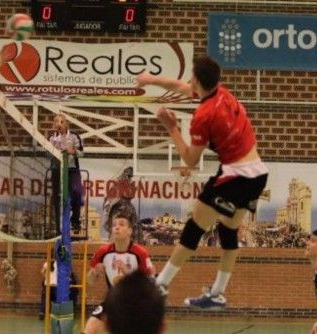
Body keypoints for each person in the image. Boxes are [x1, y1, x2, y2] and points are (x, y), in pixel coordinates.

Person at [136, 55, 268, 309]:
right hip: (258, 174)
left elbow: (190, 161)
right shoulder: (222, 93)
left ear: (196, 79)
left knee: (194, 228)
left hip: (235, 176)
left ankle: (161, 284)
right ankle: (217, 293)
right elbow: (180, 87)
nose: (188, 81)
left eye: (191, 76)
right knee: (228, 232)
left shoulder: (204, 116)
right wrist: (150, 79)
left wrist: (172, 128)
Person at [82, 214, 154, 334]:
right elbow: (90, 281)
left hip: (136, 304)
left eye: (121, 224)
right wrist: (94, 272)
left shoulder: (140, 253)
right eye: (114, 225)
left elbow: (150, 285)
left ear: (130, 231)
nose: (116, 227)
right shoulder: (102, 252)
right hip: (112, 301)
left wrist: (129, 274)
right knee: (90, 328)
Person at [49, 113, 84, 233]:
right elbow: (48, 153)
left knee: (77, 192)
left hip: (72, 169)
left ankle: (75, 220)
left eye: (62, 122)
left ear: (67, 124)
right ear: (54, 125)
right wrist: (54, 151)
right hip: (57, 170)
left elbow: (82, 153)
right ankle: (59, 226)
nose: (59, 124)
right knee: (57, 197)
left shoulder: (74, 136)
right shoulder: (52, 137)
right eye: (56, 122)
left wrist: (73, 151)